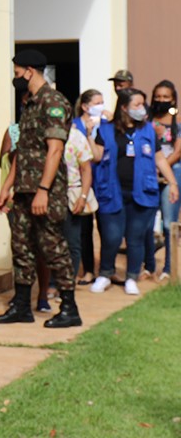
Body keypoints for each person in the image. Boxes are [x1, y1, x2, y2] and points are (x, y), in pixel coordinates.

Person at [0, 50, 81, 328]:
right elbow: (23, 151)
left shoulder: (53, 102)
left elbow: (54, 150)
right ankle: (21, 306)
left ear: (30, 71)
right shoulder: (29, 104)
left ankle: (69, 308)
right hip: (22, 190)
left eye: (17, 72)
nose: (15, 78)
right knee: (21, 246)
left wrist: (43, 189)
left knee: (52, 246)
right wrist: (7, 187)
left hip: (46, 190)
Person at [89, 88, 179, 295]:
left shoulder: (147, 130)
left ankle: (131, 277)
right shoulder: (106, 130)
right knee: (111, 236)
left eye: (142, 104)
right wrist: (87, 135)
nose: (142, 109)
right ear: (124, 107)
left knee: (135, 238)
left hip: (142, 191)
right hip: (112, 192)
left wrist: (172, 183)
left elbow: (159, 158)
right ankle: (105, 273)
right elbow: (96, 156)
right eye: (137, 105)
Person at [62, 92, 99, 284]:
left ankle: (68, 285)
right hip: (51, 195)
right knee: (52, 243)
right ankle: (52, 285)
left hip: (73, 193)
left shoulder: (76, 137)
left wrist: (83, 196)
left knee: (73, 242)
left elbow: (86, 169)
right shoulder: (45, 136)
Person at [72, 89, 106, 283]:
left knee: (104, 229)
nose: (101, 106)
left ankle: (103, 268)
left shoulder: (105, 125)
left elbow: (99, 155)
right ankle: (87, 270)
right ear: (85, 107)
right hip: (80, 182)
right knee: (83, 230)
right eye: (97, 102)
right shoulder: (74, 126)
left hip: (102, 182)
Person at [145, 80, 178, 281]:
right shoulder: (148, 120)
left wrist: (162, 167)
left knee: (168, 223)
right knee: (147, 223)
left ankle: (168, 267)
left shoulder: (179, 120)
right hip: (149, 175)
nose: (161, 100)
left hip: (172, 173)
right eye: (158, 96)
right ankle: (149, 265)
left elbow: (179, 150)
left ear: (173, 99)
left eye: (166, 97)